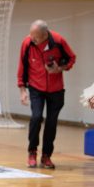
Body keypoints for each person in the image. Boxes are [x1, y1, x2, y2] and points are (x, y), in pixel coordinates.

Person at [17, 20, 76, 169]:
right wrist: (22, 89)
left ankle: (46, 156)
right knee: (36, 117)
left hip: (56, 90)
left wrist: (60, 68)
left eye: (35, 36)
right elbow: (22, 66)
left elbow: (71, 58)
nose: (32, 38)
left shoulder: (58, 41)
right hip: (36, 88)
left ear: (45, 35)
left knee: (51, 123)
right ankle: (32, 152)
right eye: (31, 35)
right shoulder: (27, 43)